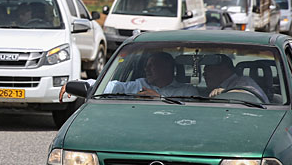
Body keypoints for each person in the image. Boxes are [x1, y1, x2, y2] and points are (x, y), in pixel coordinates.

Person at [59, 52, 197, 101]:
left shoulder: (187, 92)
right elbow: (109, 86)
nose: (146, 69)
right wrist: (78, 83)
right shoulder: (137, 85)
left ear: (167, 68)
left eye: (152, 65)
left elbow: (192, 117)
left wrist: (159, 99)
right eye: (146, 65)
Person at [203, 54, 268, 102]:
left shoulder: (243, 81)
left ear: (224, 70)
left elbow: (250, 96)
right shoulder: (214, 88)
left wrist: (226, 92)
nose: (204, 75)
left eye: (208, 70)